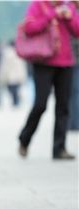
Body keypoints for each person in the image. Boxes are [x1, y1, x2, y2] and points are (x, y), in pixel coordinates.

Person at [18, 0, 79, 160]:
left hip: (66, 62)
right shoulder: (38, 5)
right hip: (43, 61)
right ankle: (25, 138)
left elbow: (77, 30)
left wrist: (69, 16)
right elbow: (30, 28)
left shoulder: (69, 6)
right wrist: (53, 14)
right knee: (40, 104)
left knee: (63, 106)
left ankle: (59, 148)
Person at [0, 40, 28, 107]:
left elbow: (4, 66)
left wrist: (1, 75)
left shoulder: (7, 54)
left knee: (12, 90)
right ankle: (16, 102)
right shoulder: (20, 52)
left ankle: (15, 102)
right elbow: (23, 67)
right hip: (17, 75)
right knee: (15, 90)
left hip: (10, 76)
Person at [69, 1, 79, 130]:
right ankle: (73, 122)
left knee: (74, 92)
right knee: (73, 93)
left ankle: (73, 122)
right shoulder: (68, 12)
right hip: (70, 61)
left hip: (73, 61)